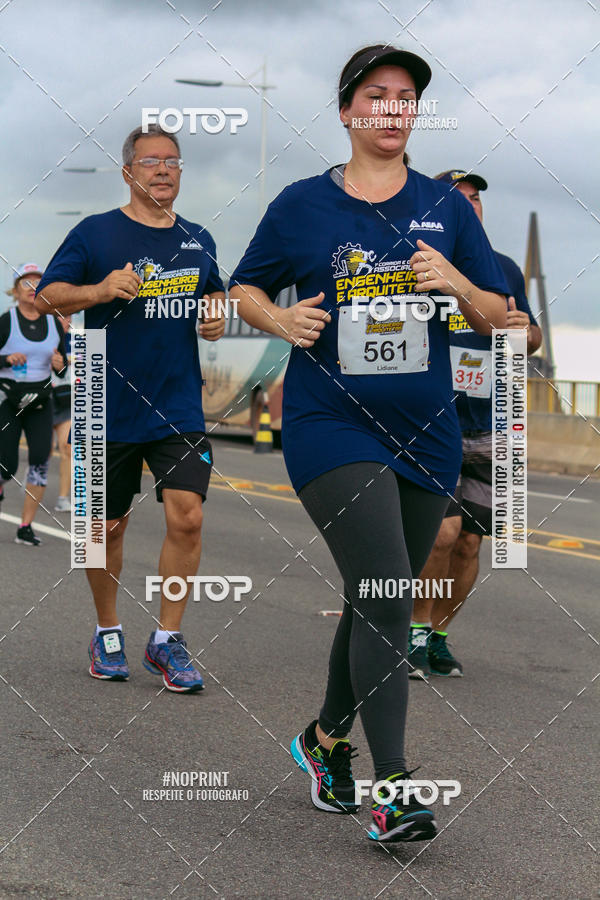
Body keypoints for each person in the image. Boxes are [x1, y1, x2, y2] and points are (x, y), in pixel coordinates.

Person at [229, 45, 509, 843]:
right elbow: (244, 287)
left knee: (373, 595)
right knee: (387, 592)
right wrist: (279, 318)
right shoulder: (301, 204)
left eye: (406, 96)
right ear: (348, 109)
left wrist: (457, 283)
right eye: (378, 94)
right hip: (331, 424)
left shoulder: (445, 207)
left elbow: (498, 314)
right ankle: (393, 788)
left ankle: (324, 741)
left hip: (428, 433)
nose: (393, 108)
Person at [35, 124, 225, 692]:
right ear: (127, 172)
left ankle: (168, 639)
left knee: (188, 516)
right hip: (104, 400)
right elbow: (47, 295)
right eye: (150, 161)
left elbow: (213, 292)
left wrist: (214, 316)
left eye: (173, 161)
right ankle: (107, 629)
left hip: (177, 404)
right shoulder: (95, 233)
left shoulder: (198, 239)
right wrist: (99, 290)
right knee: (103, 531)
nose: (163, 169)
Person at [408, 170, 542, 680]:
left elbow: (532, 337)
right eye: (458, 198)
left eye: (476, 198)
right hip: (433, 421)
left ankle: (438, 638)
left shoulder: (502, 269)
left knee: (469, 542)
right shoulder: (417, 262)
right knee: (440, 535)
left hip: (492, 426)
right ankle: (414, 631)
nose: (471, 204)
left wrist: (523, 332)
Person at [0, 263, 68, 546]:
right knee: (6, 466)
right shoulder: (6, 321)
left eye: (38, 283)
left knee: (40, 461)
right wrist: (6, 359)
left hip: (40, 402)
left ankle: (25, 526)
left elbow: (62, 367)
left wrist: (60, 365)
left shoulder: (54, 322)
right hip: (8, 400)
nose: (32, 288)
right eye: (26, 283)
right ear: (15, 291)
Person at [51, 313, 73, 512]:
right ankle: (32, 480)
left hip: (65, 399)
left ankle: (63, 498)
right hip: (42, 401)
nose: (67, 321)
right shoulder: (43, 335)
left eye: (69, 316)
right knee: (43, 452)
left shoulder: (75, 340)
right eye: (62, 316)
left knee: (67, 448)